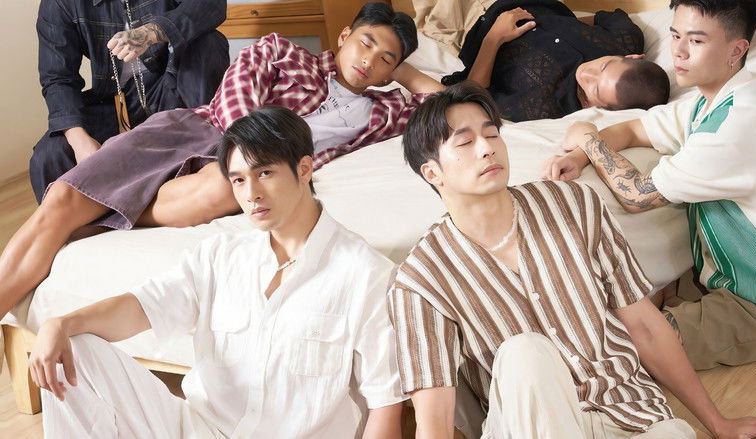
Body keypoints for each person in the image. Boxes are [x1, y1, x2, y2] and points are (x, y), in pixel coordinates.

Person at [0, 2, 443, 323]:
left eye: (384, 59)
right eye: (366, 43)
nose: (368, 60)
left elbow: (445, 103)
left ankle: (93, 220)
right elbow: (236, 94)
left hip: (240, 172)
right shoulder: (282, 52)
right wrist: (246, 149)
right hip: (193, 131)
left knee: (226, 186)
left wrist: (403, 70)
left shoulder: (384, 111)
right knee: (62, 200)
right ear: (344, 36)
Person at [389, 81, 756, 439]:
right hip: (533, 425)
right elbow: (434, 419)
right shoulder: (422, 280)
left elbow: (645, 324)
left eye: (492, 134)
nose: (487, 148)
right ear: (432, 172)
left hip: (626, 413)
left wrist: (718, 423)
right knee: (525, 352)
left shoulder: (575, 204)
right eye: (465, 142)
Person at [28, 106, 407, 439]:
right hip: (198, 430)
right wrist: (59, 324)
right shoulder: (221, 256)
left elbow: (385, 407)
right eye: (239, 179)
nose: (251, 193)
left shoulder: (365, 274)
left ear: (304, 168)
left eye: (265, 173)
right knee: (73, 347)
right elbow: (143, 307)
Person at [543, 0, 756, 370]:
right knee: (606, 322)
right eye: (675, 35)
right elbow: (634, 128)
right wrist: (579, 156)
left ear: (736, 50)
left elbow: (636, 195)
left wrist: (589, 138)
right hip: (726, 280)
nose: (678, 51)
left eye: (696, 41)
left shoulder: (736, 125)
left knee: (614, 347)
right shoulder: (711, 101)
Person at [31, 0, 230, 202]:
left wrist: (151, 32)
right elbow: (58, 78)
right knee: (50, 155)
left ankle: (214, 162)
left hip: (172, 86)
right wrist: (80, 141)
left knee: (209, 42)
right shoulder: (60, 3)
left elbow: (211, 4)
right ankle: (87, 220)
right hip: (113, 99)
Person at [442, 0, 670, 122]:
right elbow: (611, 17)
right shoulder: (626, 41)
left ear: (601, 108)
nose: (586, 73)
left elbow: (473, 94)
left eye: (595, 89)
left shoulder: (542, 107)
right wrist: (562, 21)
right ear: (632, 57)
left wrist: (494, 37)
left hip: (472, 18)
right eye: (604, 66)